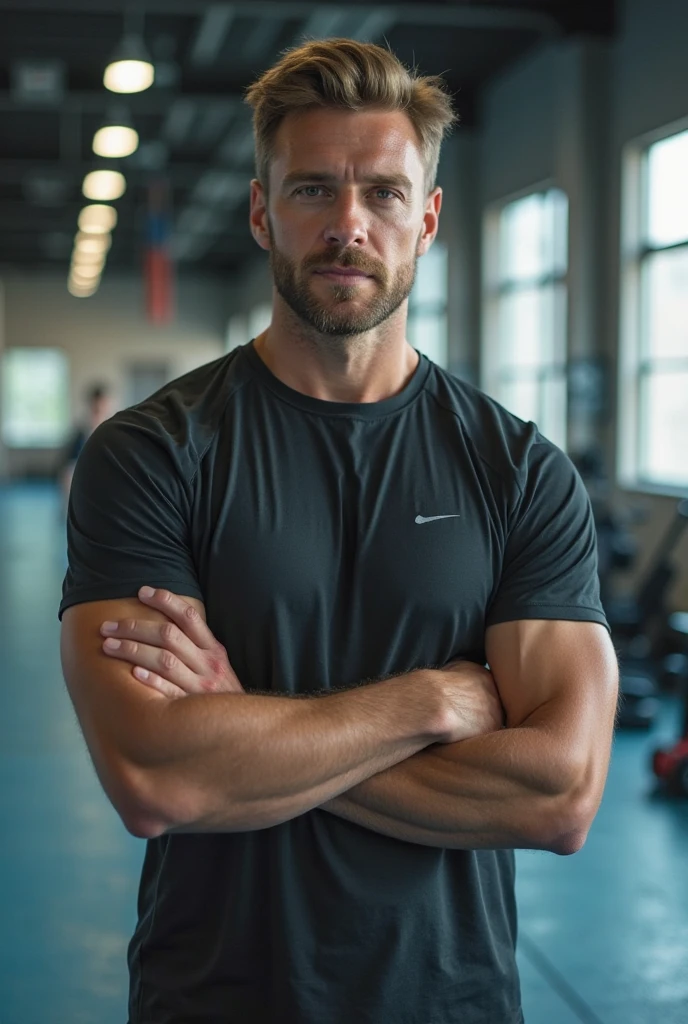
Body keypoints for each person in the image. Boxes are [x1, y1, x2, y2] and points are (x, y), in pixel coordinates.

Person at [59, 38, 619, 1024]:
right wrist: (424, 700)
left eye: (384, 194)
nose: (347, 224)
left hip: (452, 999)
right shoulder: (152, 454)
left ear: (429, 218)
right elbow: (154, 777)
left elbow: (560, 794)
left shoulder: (519, 471)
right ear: (260, 210)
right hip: (216, 996)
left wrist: (246, 723)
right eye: (313, 190)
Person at [58, 383, 113, 504]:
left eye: (103, 405)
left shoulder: (113, 431)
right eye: (97, 407)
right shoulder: (81, 434)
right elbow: (69, 469)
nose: (100, 409)